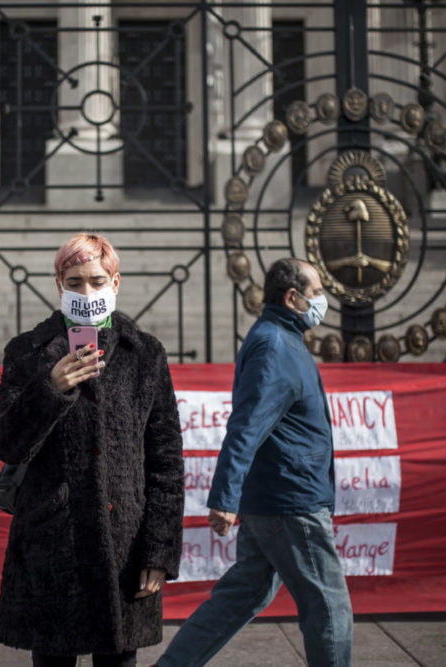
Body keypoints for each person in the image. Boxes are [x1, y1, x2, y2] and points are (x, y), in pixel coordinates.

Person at [0, 232, 184, 666]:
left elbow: (166, 459)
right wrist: (50, 389)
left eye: (96, 280)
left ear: (115, 283)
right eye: (74, 281)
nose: (86, 291)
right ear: (59, 284)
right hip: (52, 541)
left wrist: (159, 550)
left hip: (124, 545)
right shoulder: (28, 351)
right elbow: (6, 443)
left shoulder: (144, 353)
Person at [155, 258, 353, 667]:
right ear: (293, 297)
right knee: (329, 607)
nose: (323, 301)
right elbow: (246, 425)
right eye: (316, 292)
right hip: (290, 502)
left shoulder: (280, 338)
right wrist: (224, 497)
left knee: (244, 594)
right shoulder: (276, 345)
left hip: (276, 497)